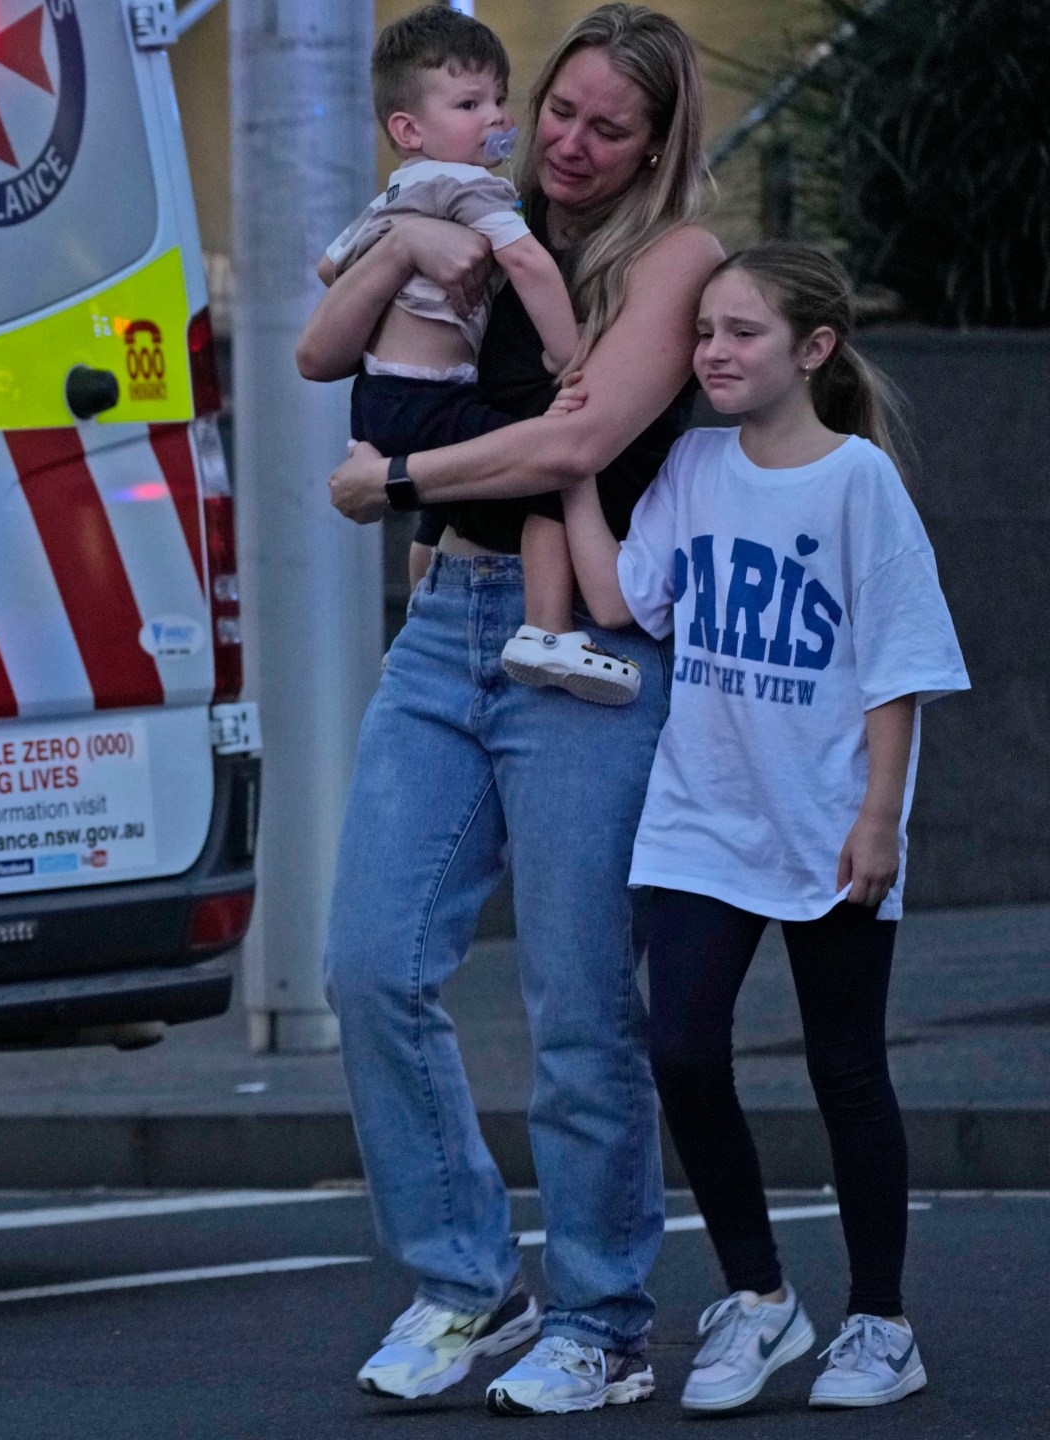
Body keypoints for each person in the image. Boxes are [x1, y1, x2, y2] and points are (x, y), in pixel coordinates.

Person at [298, 4, 724, 1416]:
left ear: (660, 142)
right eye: (560, 112)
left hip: (590, 646)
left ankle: (603, 1319)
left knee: (579, 1003)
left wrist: (404, 485)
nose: (573, 143)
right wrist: (400, 251)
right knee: (367, 959)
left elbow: (588, 432)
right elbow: (331, 347)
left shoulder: (677, 255)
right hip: (451, 622)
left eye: (610, 127)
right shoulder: (476, 203)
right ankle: (467, 1282)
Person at [556, 243, 964, 1414]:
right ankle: (757, 1294)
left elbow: (902, 670)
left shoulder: (857, 484)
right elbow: (622, 603)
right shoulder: (689, 464)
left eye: (742, 334)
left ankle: (882, 1325)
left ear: (813, 350)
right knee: (679, 1051)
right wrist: (576, 472)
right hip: (702, 816)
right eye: (705, 334)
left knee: (846, 1072)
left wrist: (878, 820)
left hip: (829, 820)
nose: (713, 354)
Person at [320, 5, 629, 704]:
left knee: (446, 502)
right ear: (409, 129)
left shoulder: (397, 191)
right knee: (549, 463)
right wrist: (571, 358)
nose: (494, 117)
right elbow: (532, 268)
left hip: (378, 395)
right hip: (430, 393)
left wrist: (401, 257)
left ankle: (422, 609)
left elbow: (329, 270)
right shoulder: (474, 188)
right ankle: (548, 631)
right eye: (468, 103)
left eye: (498, 98)